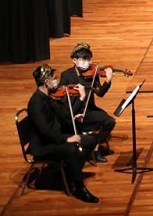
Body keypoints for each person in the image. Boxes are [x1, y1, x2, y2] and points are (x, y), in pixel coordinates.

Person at [27, 65, 99, 203]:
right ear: (46, 82)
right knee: (71, 148)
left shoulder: (51, 97)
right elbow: (45, 131)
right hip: (44, 145)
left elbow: (66, 114)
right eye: (53, 79)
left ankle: (71, 172)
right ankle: (78, 188)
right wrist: (67, 138)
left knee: (90, 141)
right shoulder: (36, 103)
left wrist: (82, 98)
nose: (56, 81)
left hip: (56, 138)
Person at [59, 42, 116, 163]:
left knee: (110, 121)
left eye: (89, 59)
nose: (88, 62)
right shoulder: (66, 75)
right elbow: (63, 101)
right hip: (74, 113)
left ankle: (94, 146)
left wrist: (108, 81)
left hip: (88, 111)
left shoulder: (93, 74)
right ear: (74, 60)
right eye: (84, 59)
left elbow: (100, 93)